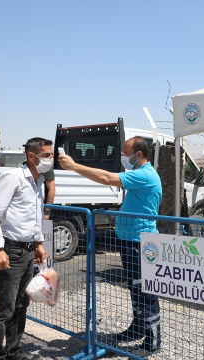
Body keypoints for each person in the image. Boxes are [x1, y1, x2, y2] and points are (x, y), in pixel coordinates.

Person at [58, 136, 162, 356]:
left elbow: (106, 178)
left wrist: (74, 166)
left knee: (145, 290)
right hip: (130, 240)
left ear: (139, 154)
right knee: (135, 287)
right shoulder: (141, 174)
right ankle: (137, 328)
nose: (123, 157)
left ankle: (152, 340)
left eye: (126, 153)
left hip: (140, 241)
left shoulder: (145, 174)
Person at [0, 138, 51, 360]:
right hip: (11, 250)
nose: (51, 160)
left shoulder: (38, 180)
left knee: (21, 304)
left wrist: (39, 243)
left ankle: (14, 351)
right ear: (32, 156)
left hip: (28, 251)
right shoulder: (13, 178)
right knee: (4, 308)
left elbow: (33, 217)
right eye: (47, 155)